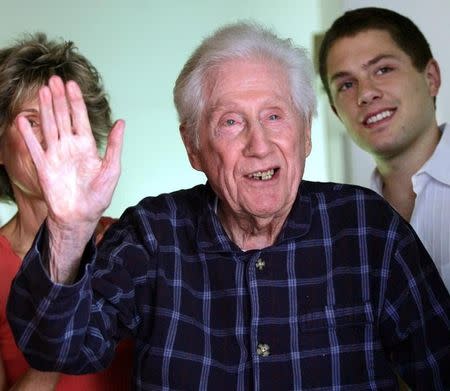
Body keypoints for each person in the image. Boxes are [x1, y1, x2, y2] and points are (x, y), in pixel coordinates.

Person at [6, 22, 450, 390]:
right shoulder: (151, 233)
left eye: (275, 116)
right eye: (231, 122)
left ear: (306, 133)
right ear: (193, 147)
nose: (259, 144)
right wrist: (69, 230)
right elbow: (60, 348)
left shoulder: (368, 227)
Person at [0, 33, 133, 390]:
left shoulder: (130, 241)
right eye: (32, 121)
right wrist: (60, 317)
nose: (52, 138)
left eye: (64, 121)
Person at [318, 7, 450, 292]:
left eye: (383, 69)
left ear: (431, 78)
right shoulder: (345, 225)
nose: (365, 93)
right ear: (336, 112)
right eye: (346, 84)